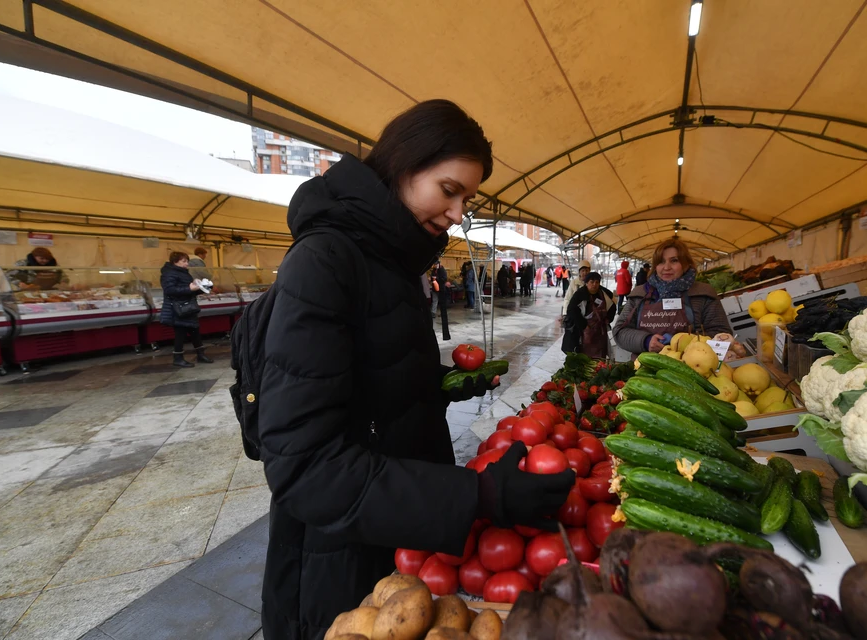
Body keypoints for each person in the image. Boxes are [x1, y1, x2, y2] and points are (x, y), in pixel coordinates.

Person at [257, 100, 574, 638]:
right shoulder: (325, 262)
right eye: (449, 191)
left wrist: (441, 386)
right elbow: (302, 465)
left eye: (466, 199)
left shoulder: (395, 260)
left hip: (401, 532)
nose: (457, 214)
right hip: (344, 555)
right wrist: (476, 497)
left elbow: (367, 387)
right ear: (403, 165)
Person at [614, 237, 732, 357]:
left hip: (693, 368)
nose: (666, 267)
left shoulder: (703, 294)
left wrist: (684, 343)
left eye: (674, 260)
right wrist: (646, 341)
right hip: (643, 368)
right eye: (661, 262)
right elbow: (620, 331)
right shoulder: (641, 294)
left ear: (686, 264)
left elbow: (722, 335)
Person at [159, 251, 213, 367]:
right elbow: (170, 290)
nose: (186, 264)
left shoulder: (184, 273)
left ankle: (201, 354)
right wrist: (190, 288)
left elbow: (189, 290)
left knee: (195, 331)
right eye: (183, 261)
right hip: (178, 308)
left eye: (187, 261)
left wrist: (204, 288)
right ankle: (178, 358)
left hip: (188, 307)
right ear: (175, 261)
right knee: (180, 333)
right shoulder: (169, 274)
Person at [563, 272, 616, 357]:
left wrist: (608, 319)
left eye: (597, 282)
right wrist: (583, 325)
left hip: (600, 331)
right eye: (592, 282)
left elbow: (612, 305)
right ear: (586, 283)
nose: (594, 284)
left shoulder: (603, 293)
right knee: (585, 355)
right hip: (585, 331)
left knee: (600, 354)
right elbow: (571, 310)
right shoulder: (580, 294)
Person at [435, 259, 451, 340]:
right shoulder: (435, 270)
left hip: (442, 291)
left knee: (443, 310)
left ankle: (446, 335)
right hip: (437, 290)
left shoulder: (442, 270)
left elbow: (444, 279)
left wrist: (436, 279)